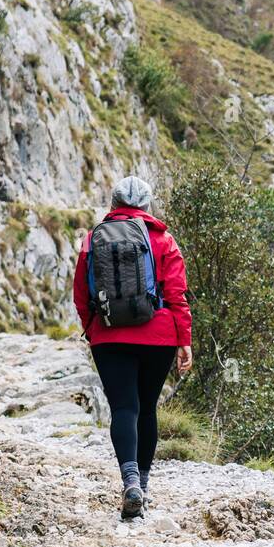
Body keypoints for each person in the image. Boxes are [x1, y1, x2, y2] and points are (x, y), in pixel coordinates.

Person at [74, 176, 193, 519]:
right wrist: (183, 340)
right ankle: (142, 482)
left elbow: (81, 292)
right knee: (147, 408)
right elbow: (176, 295)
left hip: (109, 335)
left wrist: (92, 328)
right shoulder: (163, 239)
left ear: (113, 204)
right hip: (159, 336)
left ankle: (129, 482)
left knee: (124, 408)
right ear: (147, 206)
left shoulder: (92, 239)